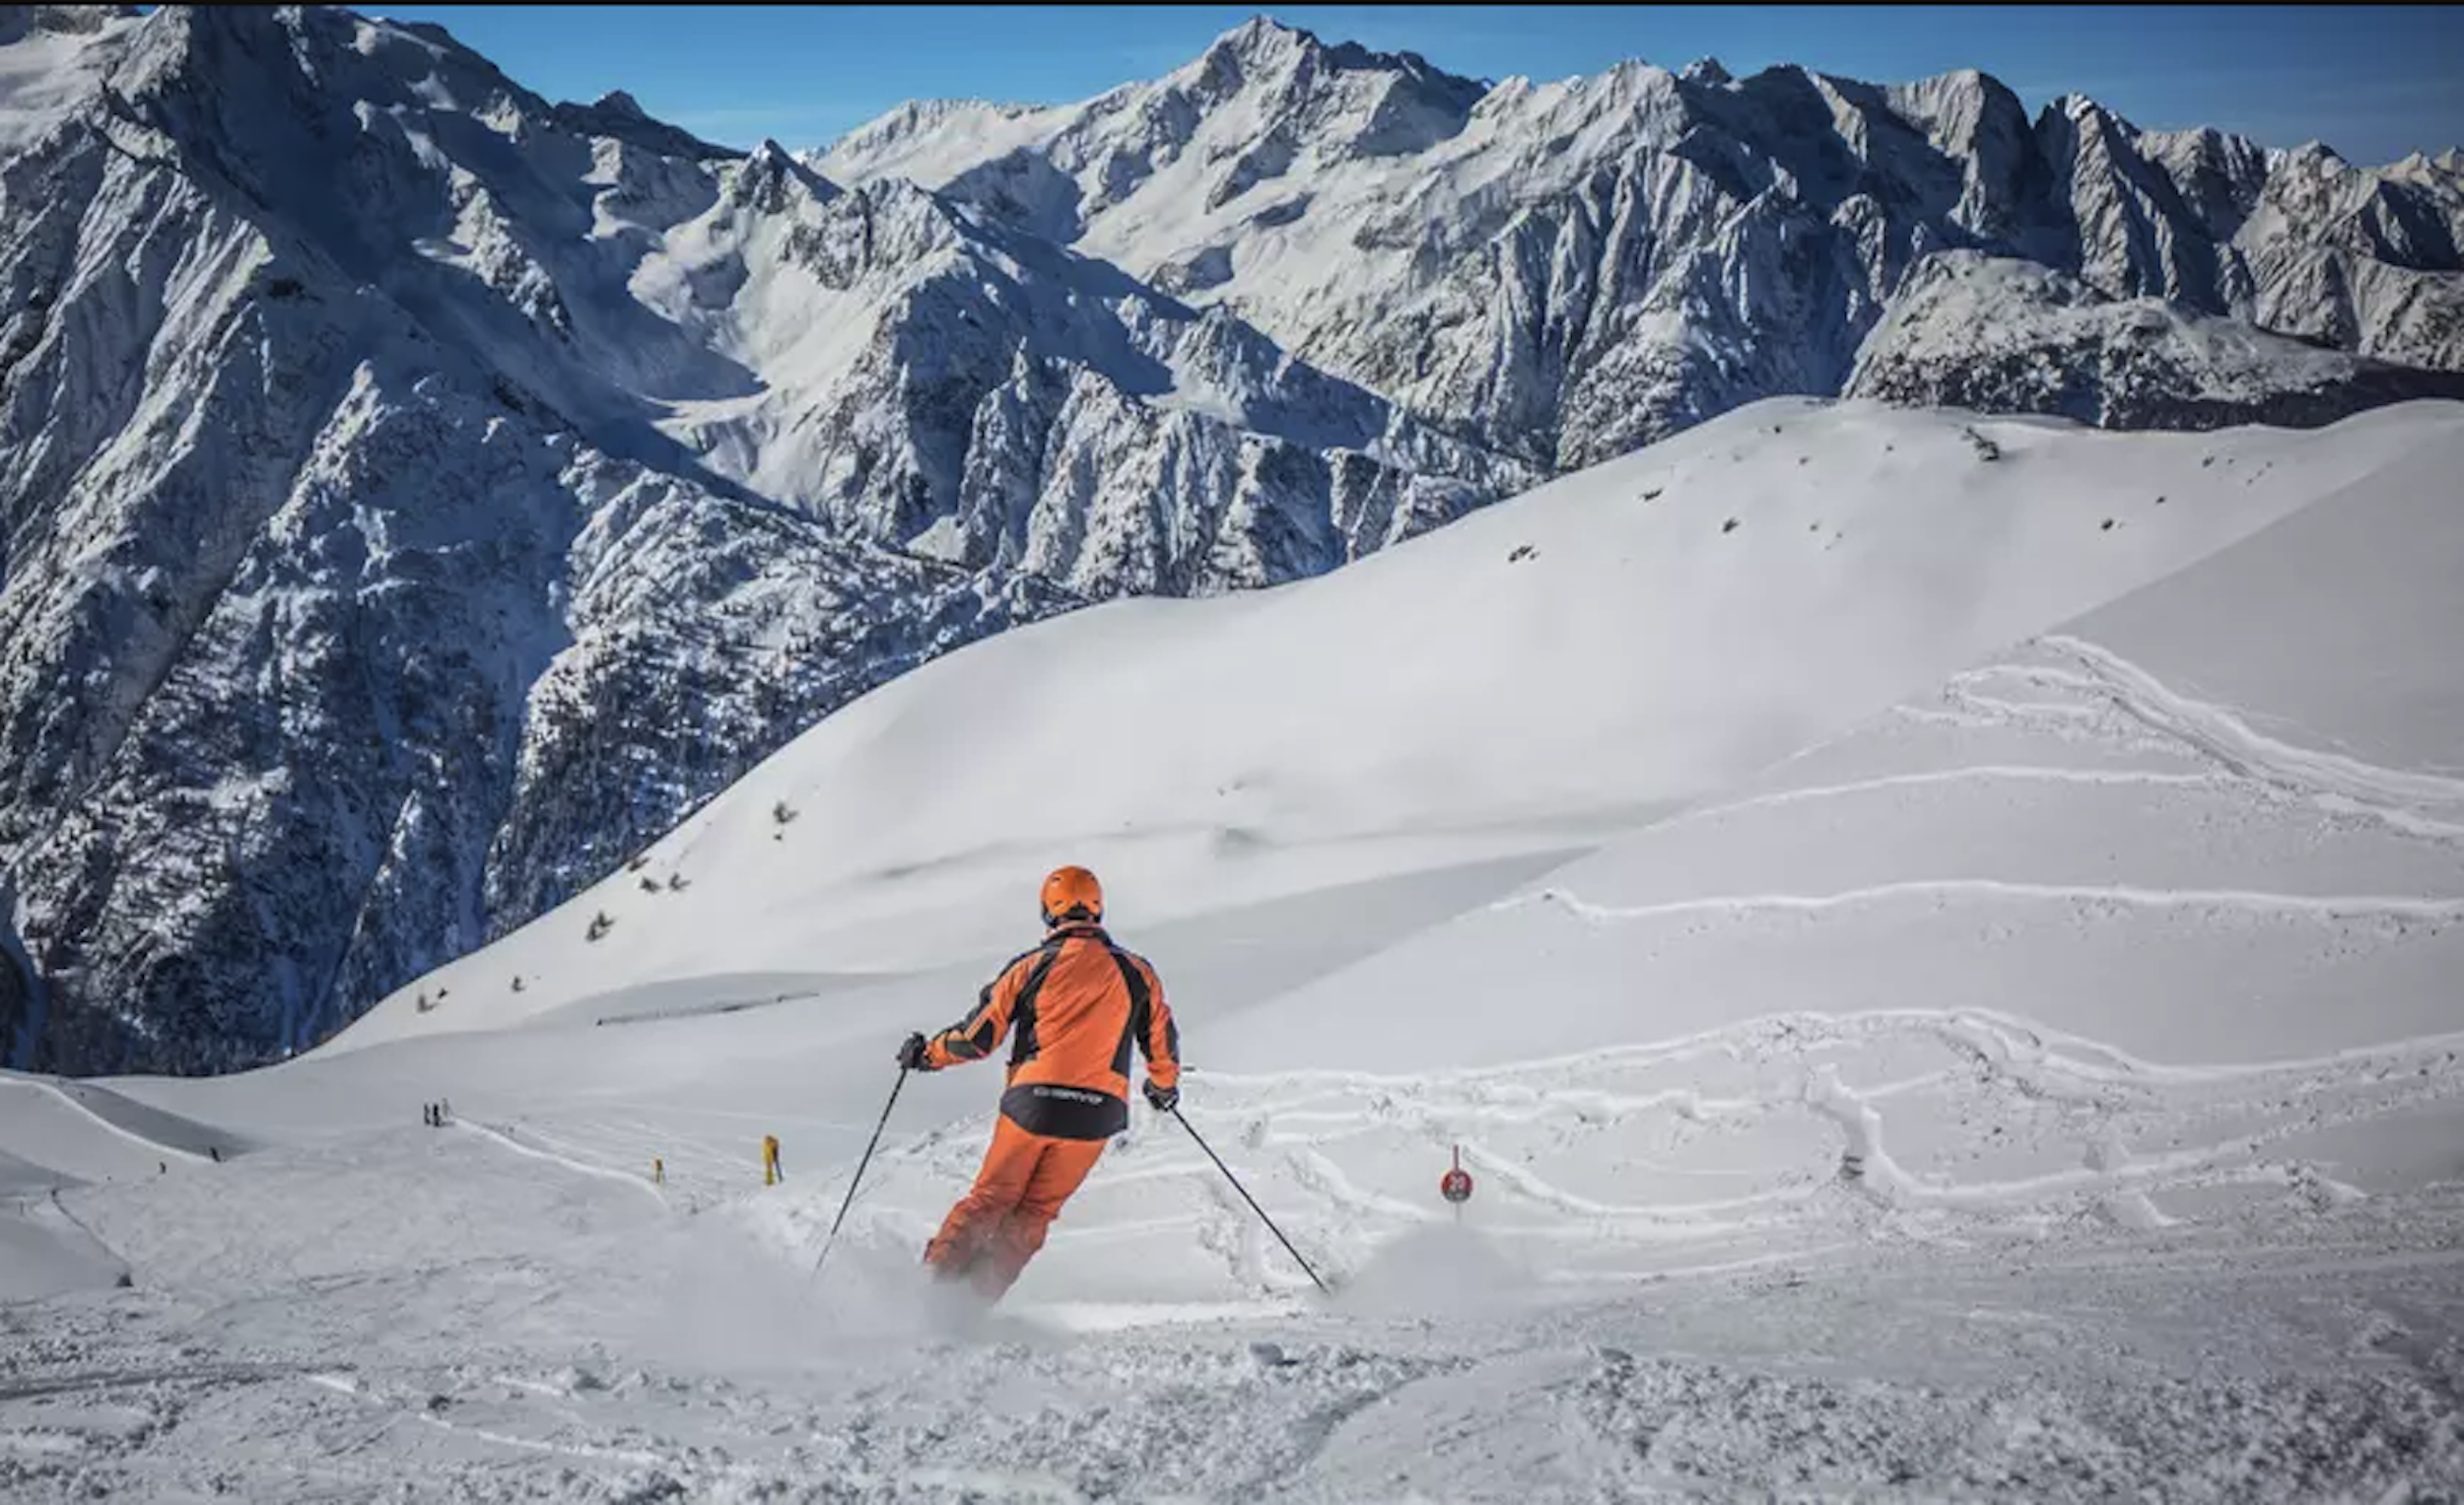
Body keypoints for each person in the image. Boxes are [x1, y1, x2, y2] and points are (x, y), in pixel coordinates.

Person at [898, 865, 1180, 1304]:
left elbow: (976, 1039)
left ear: (1048, 912)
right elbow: (1162, 1042)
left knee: (990, 1199)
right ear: (1098, 909)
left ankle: (929, 1292)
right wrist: (1163, 1088)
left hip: (1032, 1104)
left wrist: (926, 1055)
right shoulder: (1137, 972)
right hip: (1096, 1115)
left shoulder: (1030, 967)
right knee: (1035, 1213)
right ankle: (967, 1307)